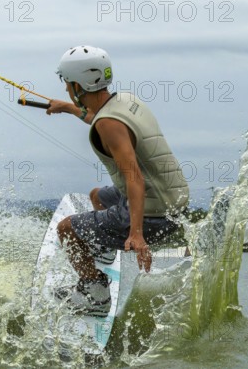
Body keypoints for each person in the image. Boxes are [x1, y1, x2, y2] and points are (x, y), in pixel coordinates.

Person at [47, 45, 189, 316]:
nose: (66, 90)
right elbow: (103, 121)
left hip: (153, 215)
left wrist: (136, 234)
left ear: (78, 84)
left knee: (67, 230)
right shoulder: (123, 101)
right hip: (172, 202)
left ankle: (95, 294)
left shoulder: (108, 124)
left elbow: (134, 179)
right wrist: (68, 108)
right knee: (97, 196)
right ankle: (102, 249)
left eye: (67, 85)